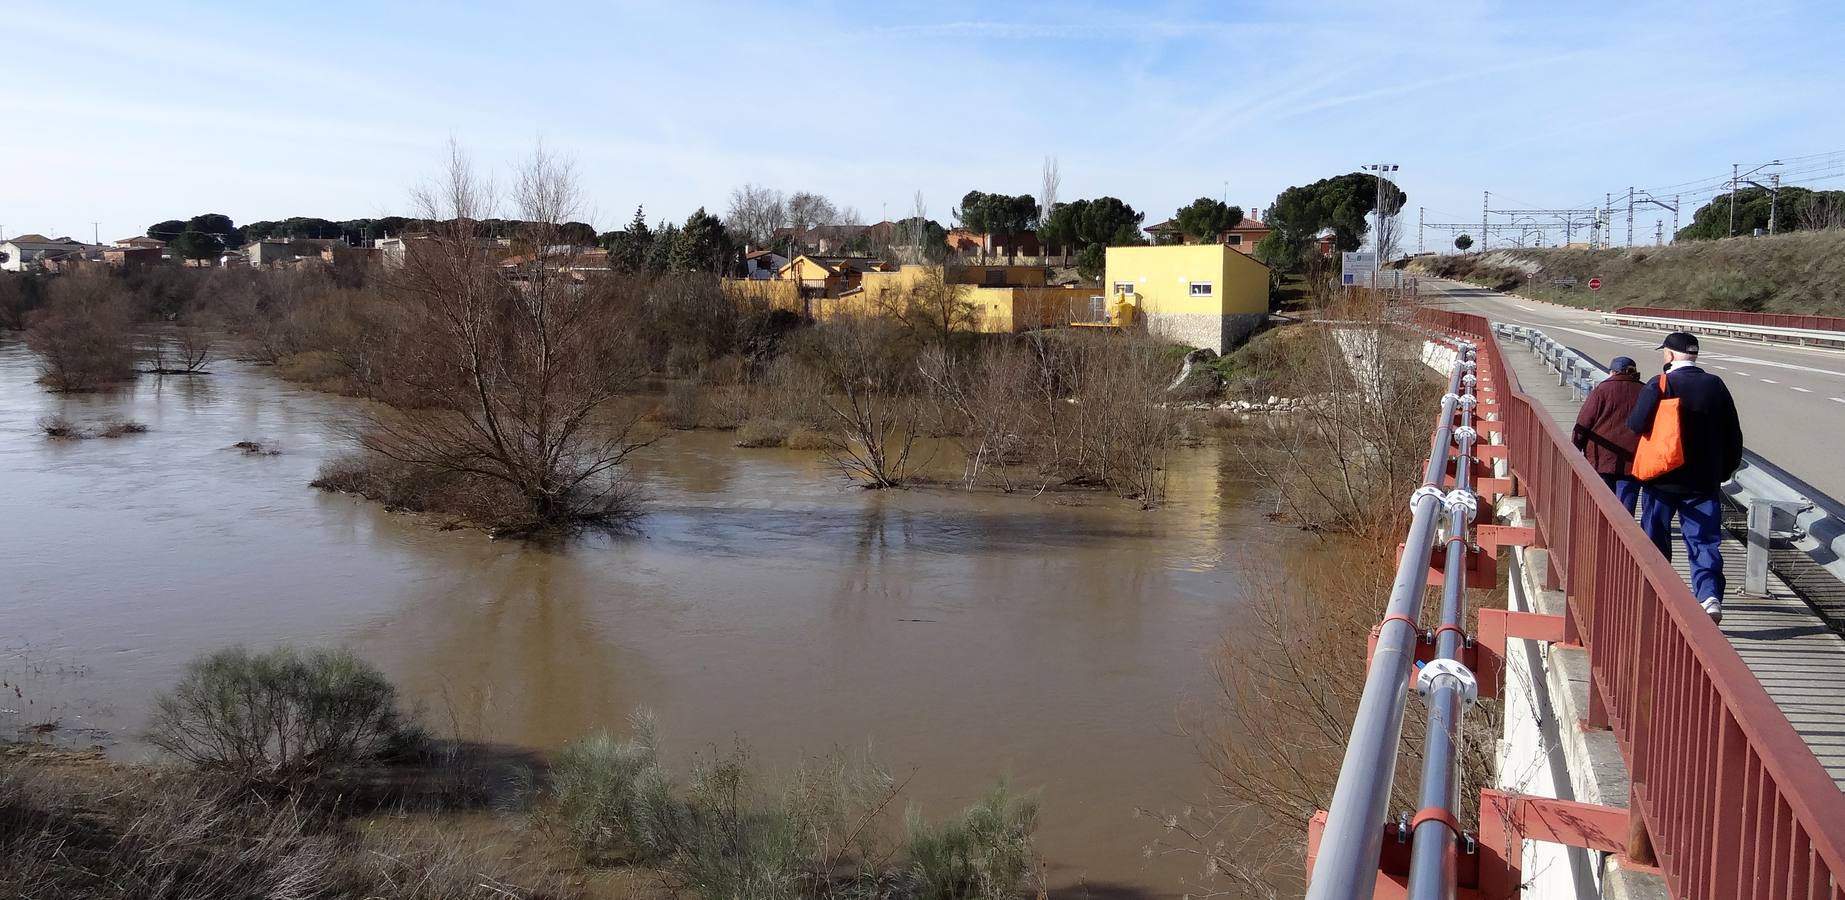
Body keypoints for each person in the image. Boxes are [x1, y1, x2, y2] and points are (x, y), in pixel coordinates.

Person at [1627, 331, 1744, 623]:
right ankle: (1709, 596)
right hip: (1704, 481)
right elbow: (1733, 434)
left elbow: (1635, 424)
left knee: (1655, 536)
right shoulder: (1715, 385)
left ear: (1668, 355)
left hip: (1662, 478)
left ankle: (1657, 593)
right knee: (1704, 541)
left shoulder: (1661, 383)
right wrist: (1724, 470)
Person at [1571, 356, 1645, 514]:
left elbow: (1584, 421)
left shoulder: (1602, 390)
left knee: (1602, 504)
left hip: (1601, 458)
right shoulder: (1644, 390)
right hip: (1634, 459)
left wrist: (1575, 448)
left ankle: (1602, 535)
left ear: (1612, 372)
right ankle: (1624, 536)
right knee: (1626, 508)